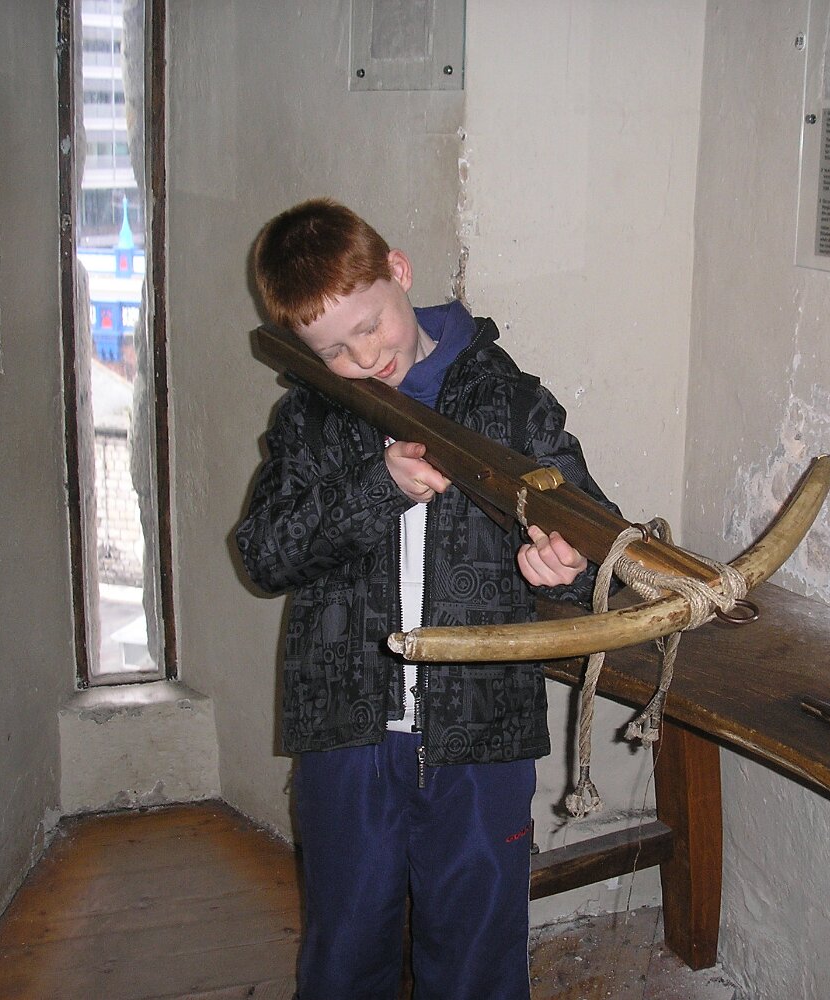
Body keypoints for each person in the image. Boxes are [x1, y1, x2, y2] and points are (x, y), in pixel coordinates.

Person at [235, 198, 618, 1000]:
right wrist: (374, 488)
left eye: (369, 325)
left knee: (478, 959)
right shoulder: (310, 416)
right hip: (344, 730)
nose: (362, 356)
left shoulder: (513, 403)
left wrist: (565, 568)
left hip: (484, 729)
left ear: (399, 273)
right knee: (345, 955)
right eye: (331, 349)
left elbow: (595, 540)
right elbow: (264, 554)